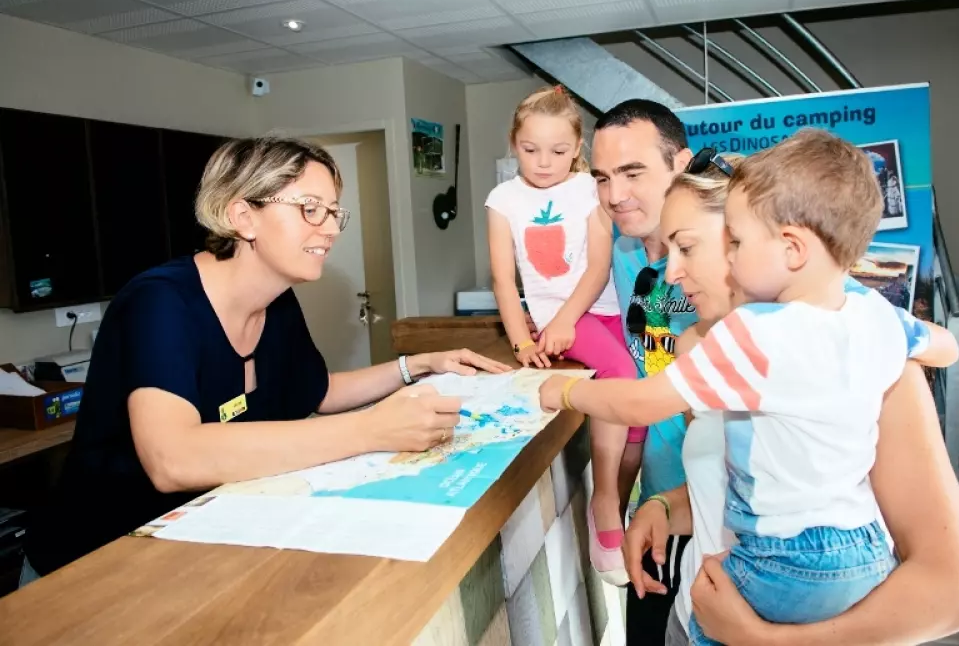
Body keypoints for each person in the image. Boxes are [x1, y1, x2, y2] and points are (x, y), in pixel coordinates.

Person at [22, 136, 508, 584]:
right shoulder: (160, 302)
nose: (330, 229)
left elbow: (318, 391)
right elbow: (173, 458)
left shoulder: (278, 300)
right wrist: (370, 429)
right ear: (243, 216)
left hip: (198, 547)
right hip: (92, 568)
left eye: (333, 212)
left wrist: (419, 364)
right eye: (310, 209)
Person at [540, 131, 959, 642]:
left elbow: (955, 593)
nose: (670, 274)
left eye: (689, 247)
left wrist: (760, 639)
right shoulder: (722, 339)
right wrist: (667, 507)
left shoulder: (857, 357)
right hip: (706, 593)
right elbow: (758, 483)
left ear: (776, 244)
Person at [486, 85, 639, 585]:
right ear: (514, 144)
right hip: (560, 318)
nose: (543, 162)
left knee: (638, 420)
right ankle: (605, 504)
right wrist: (522, 341)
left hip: (600, 310)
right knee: (620, 377)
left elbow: (597, 267)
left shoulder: (589, 190)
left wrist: (566, 321)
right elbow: (503, 280)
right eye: (530, 149)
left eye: (557, 151)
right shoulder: (504, 199)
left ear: (577, 148)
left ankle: (617, 507)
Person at [588, 98, 699, 642]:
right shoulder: (619, 254)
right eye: (602, 177)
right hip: (655, 509)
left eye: (633, 173)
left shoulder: (736, 253)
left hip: (723, 513)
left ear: (682, 164)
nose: (615, 195)